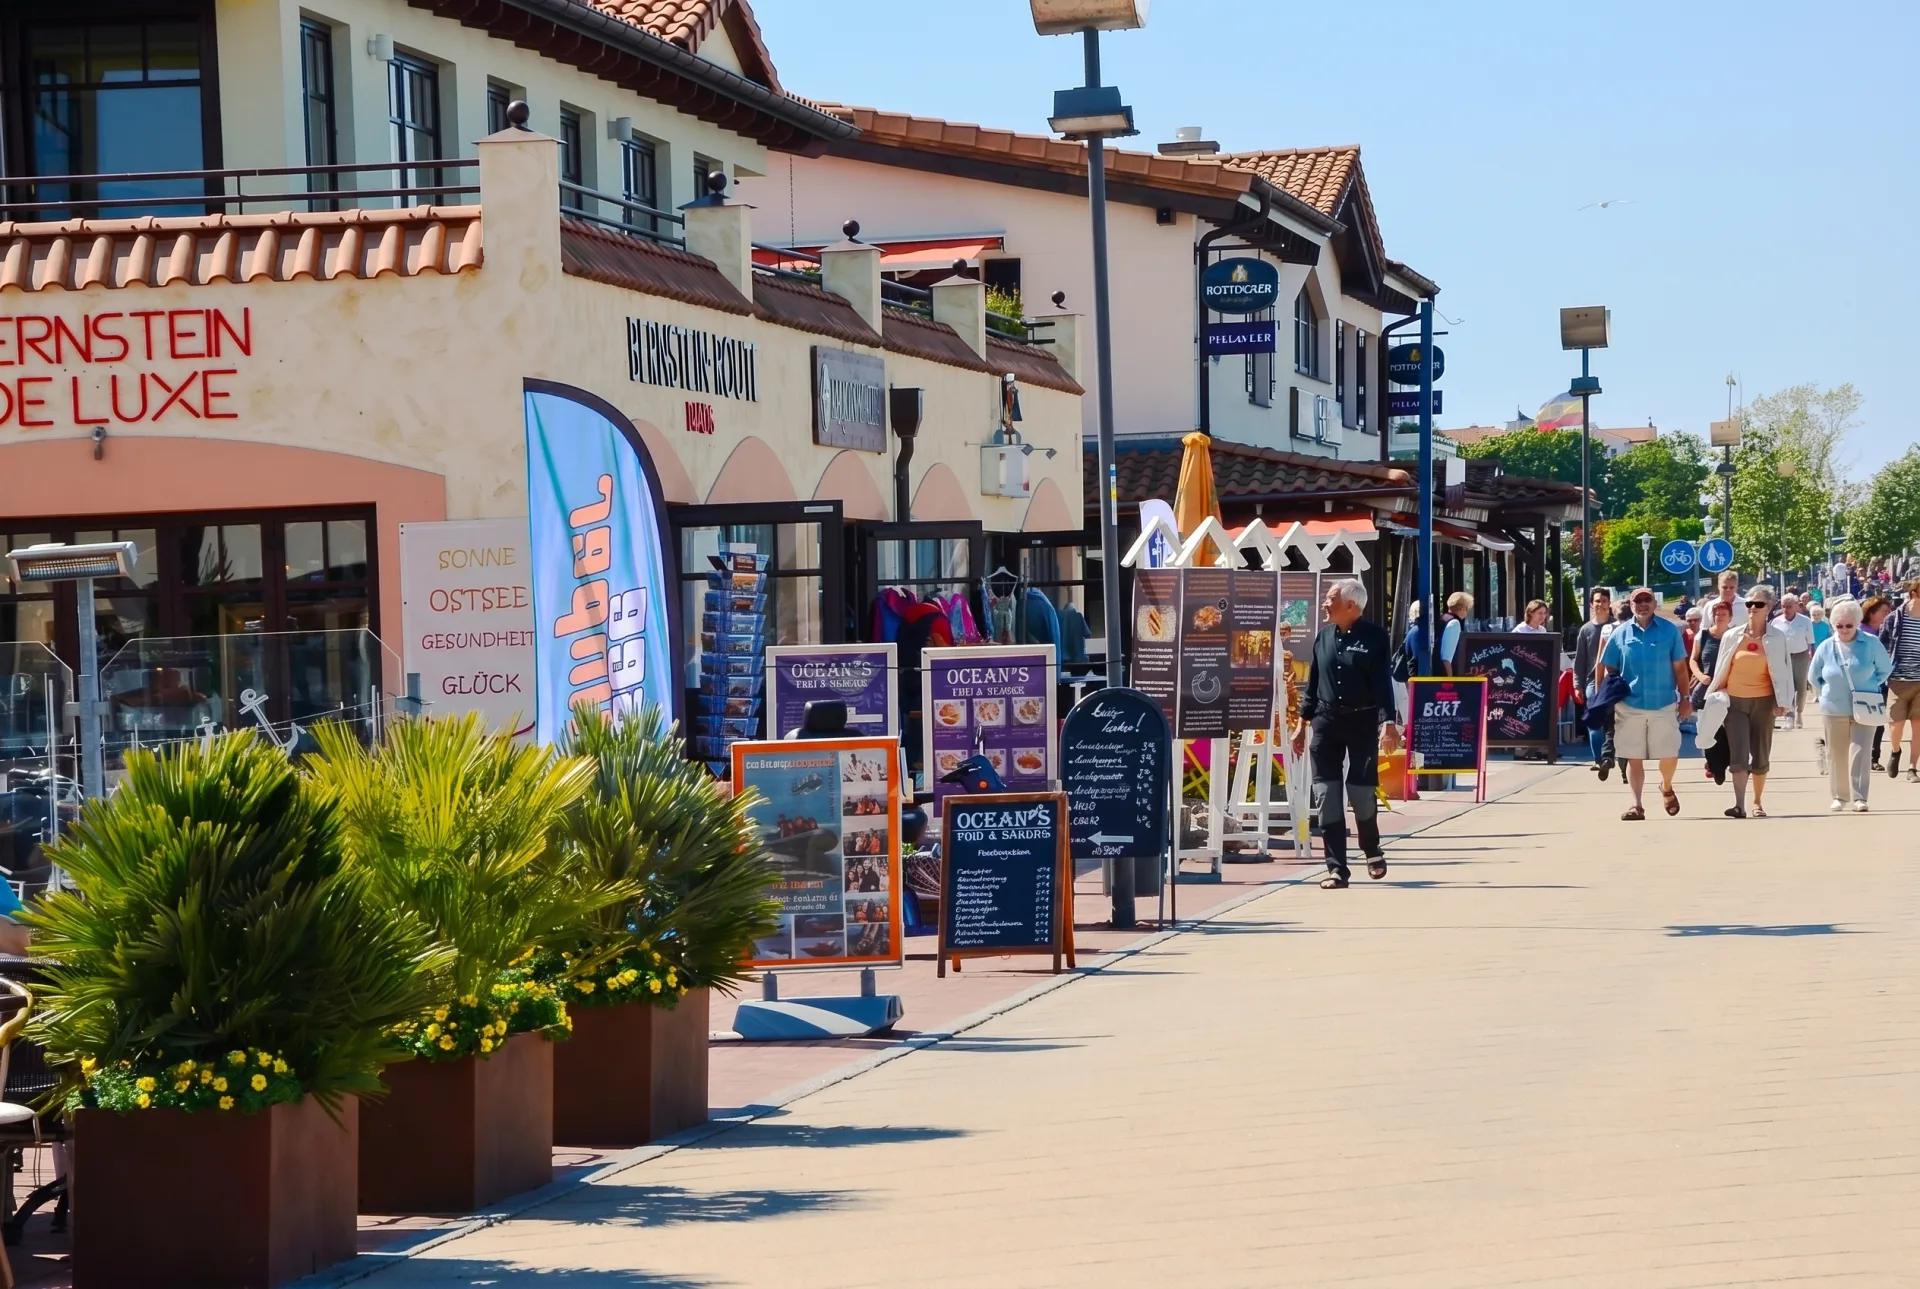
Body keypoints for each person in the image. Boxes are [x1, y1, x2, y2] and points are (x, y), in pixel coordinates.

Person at [1294, 578, 1397, 889]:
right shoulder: (1323, 636)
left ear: (1351, 606)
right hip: (1326, 723)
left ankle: (1371, 849)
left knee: (1361, 794)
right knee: (1327, 796)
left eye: (1331, 598)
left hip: (1361, 722)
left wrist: (1388, 723)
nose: (1325, 604)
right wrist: (1302, 724)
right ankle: (1336, 869)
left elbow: (1382, 683)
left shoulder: (1375, 637)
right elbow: (1312, 684)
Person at [1595, 586, 1693, 821]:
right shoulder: (1620, 633)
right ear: (1631, 605)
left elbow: (1680, 668)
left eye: (1647, 600)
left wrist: (1686, 698)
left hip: (1664, 703)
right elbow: (1607, 664)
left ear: (1654, 603)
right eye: (1637, 601)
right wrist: (1607, 694)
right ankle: (1636, 805)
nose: (1642, 605)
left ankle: (1666, 786)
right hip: (1630, 705)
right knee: (1633, 755)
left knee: (1669, 754)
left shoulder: (1669, 631)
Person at [1706, 584, 1793, 818]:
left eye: (1759, 604)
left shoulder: (1777, 637)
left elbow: (1785, 670)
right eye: (1749, 604)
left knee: (1761, 754)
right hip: (1735, 703)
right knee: (1739, 754)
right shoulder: (1732, 635)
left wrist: (1784, 701)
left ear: (1770, 607)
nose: (1753, 608)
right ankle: (1739, 805)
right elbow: (1722, 668)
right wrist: (1715, 695)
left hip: (1764, 703)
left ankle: (1757, 802)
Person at [1809, 598, 1893, 812]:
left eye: (1849, 625)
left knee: (1861, 751)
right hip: (1834, 708)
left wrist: (1870, 684)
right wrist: (1829, 691)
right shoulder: (1826, 646)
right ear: (1833, 624)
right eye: (1839, 625)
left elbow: (1884, 669)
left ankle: (1860, 797)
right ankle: (1839, 796)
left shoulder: (1871, 643)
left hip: (1865, 706)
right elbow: (1814, 677)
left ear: (1856, 623)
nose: (1844, 629)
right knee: (1835, 753)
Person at [1572, 588, 1615, 775]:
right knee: (1594, 720)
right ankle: (1598, 760)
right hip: (1592, 683)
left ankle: (1614, 757)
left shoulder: (1617, 626)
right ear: (1591, 604)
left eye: (1604, 600)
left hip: (1614, 680)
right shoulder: (1586, 630)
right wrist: (1577, 684)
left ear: (1609, 603)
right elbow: (1580, 660)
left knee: (1616, 721)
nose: (1600, 604)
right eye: (1597, 601)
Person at [1883, 580, 1920, 782]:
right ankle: (1895, 751)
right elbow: (1882, 645)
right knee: (1896, 726)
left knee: (1918, 726)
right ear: (1914, 593)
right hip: (1898, 680)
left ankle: (1913, 768)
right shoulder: (1895, 618)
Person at [1773, 592, 1815, 729]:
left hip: (1801, 655)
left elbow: (1810, 641)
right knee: (1787, 685)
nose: (1787, 609)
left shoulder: (1805, 621)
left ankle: (1799, 712)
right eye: (1784, 606)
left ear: (1796, 606)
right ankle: (1789, 715)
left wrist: (1810, 652)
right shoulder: (1776, 621)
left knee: (1801, 686)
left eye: (1790, 606)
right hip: (1783, 656)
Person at [1864, 596, 1896, 770]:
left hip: (1880, 684)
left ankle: (1873, 758)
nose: (1888, 614)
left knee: (1877, 723)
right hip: (1862, 685)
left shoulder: (1888, 631)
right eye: (1884, 611)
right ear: (1871, 613)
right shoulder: (1861, 632)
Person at [1692, 570, 1741, 676]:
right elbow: (1702, 635)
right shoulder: (1709, 606)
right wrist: (1699, 670)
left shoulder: (1746, 606)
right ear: (1718, 586)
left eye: (1731, 587)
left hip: (1738, 656)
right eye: (1724, 587)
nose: (1728, 590)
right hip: (1714, 660)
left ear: (1736, 587)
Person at [1439, 592, 1472, 674]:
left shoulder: (1444, 618)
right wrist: (1450, 681)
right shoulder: (1454, 623)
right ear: (1463, 609)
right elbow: (1447, 658)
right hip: (1446, 674)